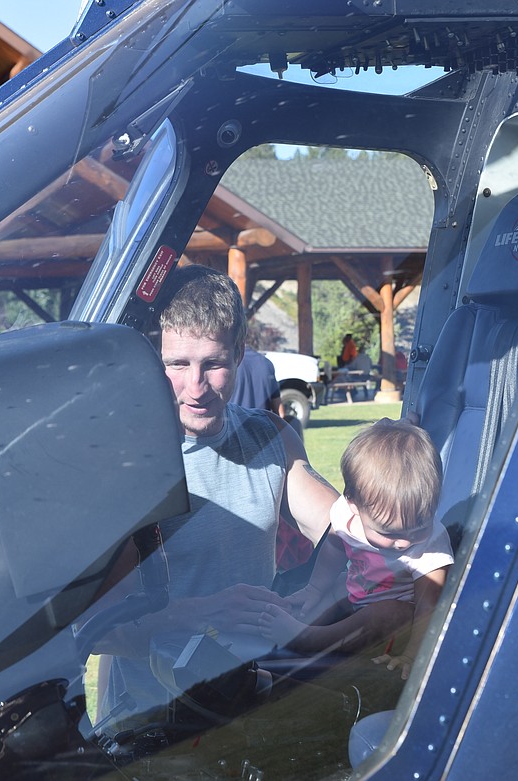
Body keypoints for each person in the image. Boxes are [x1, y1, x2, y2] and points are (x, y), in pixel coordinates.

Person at [89, 264, 338, 724]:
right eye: (177, 365)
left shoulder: (271, 438)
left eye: (213, 364)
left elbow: (346, 532)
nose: (196, 387)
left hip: (248, 703)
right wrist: (197, 614)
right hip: (149, 726)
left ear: (240, 354)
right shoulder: (123, 463)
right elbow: (92, 628)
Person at [258, 418, 452, 679]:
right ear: (353, 506)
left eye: (420, 526)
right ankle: (298, 634)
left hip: (397, 624)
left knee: (388, 613)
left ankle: (308, 639)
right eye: (389, 533)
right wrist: (315, 588)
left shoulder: (430, 545)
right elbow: (335, 547)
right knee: (335, 586)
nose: (405, 542)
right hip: (356, 595)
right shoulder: (345, 516)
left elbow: (429, 606)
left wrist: (412, 656)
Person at [231, 346, 283, 416]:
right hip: (262, 424)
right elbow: (279, 411)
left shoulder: (230, 363)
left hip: (234, 423)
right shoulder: (267, 364)